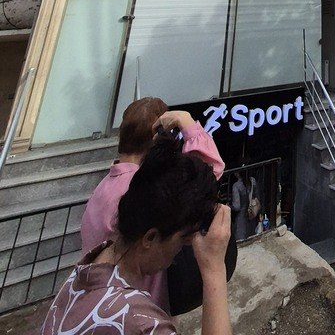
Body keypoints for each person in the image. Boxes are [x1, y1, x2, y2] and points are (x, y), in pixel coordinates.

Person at [44, 136, 231, 335]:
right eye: (182, 241)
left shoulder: (83, 273)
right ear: (150, 238)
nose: (178, 254)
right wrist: (214, 270)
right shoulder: (140, 322)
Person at [81, 98, 224, 311]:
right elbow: (204, 179)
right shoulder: (141, 188)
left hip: (102, 299)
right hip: (137, 306)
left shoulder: (104, 187)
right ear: (157, 136)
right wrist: (186, 122)